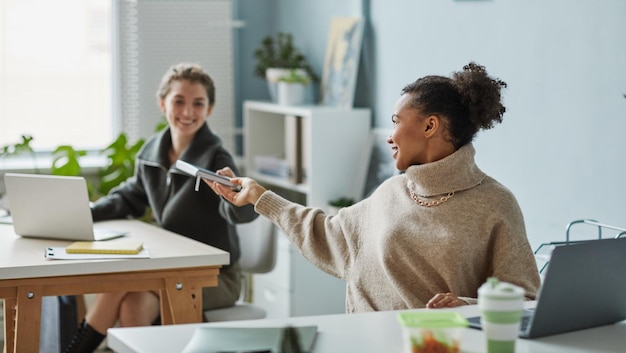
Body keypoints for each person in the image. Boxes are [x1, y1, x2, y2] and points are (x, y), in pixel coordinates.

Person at [212, 62, 541, 313]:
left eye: (397, 121)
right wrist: (260, 197)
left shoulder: (496, 203)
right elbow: (328, 233)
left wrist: (466, 307)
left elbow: (525, 298)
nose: (389, 135)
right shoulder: (391, 193)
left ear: (430, 125)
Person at [64, 63, 257, 353]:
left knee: (121, 285)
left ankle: (76, 350)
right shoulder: (151, 153)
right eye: (179, 101)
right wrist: (81, 214)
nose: (188, 112)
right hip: (169, 269)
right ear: (162, 102)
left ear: (210, 109)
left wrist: (236, 196)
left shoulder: (216, 157)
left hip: (214, 276)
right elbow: (129, 197)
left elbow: (243, 212)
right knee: (133, 302)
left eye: (198, 103)